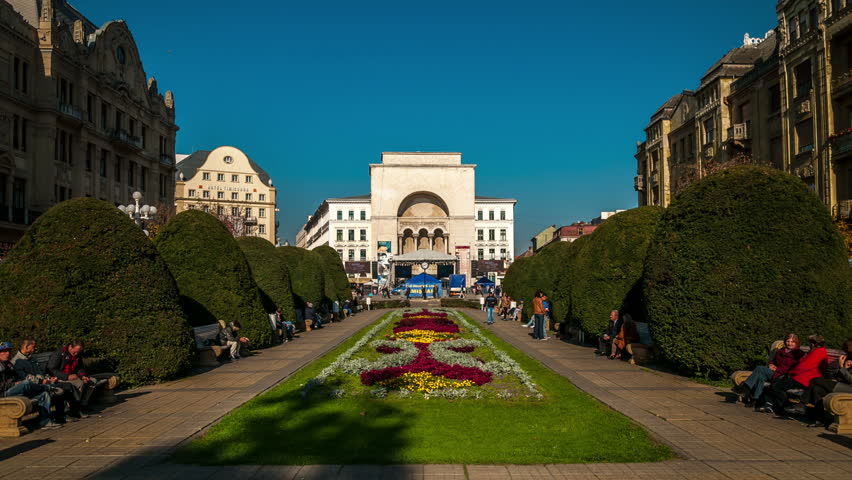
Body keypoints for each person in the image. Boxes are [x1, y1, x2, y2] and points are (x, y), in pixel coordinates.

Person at [1, 342, 63, 429]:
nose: (7, 353)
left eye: (8, 351)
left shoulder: (9, 364)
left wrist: (18, 382)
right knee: (26, 383)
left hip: (16, 390)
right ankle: (48, 388)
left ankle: (45, 421)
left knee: (44, 395)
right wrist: (14, 384)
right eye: (3, 351)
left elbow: (17, 378)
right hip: (4, 394)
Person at [734, 333, 804, 408]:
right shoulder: (782, 350)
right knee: (760, 376)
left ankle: (745, 388)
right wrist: (771, 364)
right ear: (785, 341)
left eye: (792, 342)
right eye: (788, 341)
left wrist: (777, 369)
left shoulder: (798, 353)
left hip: (783, 376)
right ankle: (755, 399)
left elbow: (795, 368)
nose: (789, 343)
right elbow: (773, 361)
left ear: (796, 343)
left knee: (760, 368)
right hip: (775, 373)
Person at [767, 334, 828, 418]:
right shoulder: (816, 351)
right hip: (801, 378)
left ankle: (783, 408)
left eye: (811, 343)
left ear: (814, 344)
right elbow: (803, 363)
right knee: (776, 383)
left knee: (776, 385)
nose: (810, 345)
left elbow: (802, 367)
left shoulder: (818, 353)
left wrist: (790, 372)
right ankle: (783, 407)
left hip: (804, 380)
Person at [13, 339, 69, 422]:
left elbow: (40, 373)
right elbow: (25, 377)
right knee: (53, 390)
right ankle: (54, 417)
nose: (36, 349)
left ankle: (61, 416)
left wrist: (49, 378)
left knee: (63, 387)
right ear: (26, 347)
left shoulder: (32, 358)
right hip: (31, 387)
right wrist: (41, 382)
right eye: (34, 347)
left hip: (42, 383)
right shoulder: (16, 361)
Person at [47, 340, 100, 418]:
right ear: (70, 347)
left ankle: (82, 405)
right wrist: (67, 376)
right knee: (79, 383)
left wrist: (83, 376)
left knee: (92, 381)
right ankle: (74, 408)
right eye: (75, 352)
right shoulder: (58, 354)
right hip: (60, 378)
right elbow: (51, 369)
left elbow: (80, 368)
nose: (76, 354)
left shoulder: (78, 354)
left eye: (78, 352)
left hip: (74, 376)